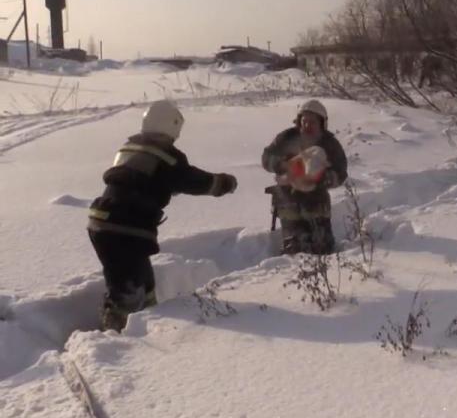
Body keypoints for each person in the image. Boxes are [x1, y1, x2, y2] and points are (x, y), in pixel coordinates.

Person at [88, 100, 238, 332]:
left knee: (142, 281)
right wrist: (223, 183)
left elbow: (140, 179)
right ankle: (115, 339)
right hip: (125, 227)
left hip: (101, 221)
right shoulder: (168, 156)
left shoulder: (130, 147)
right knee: (128, 290)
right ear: (173, 126)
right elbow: (193, 180)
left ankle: (146, 326)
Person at [262, 99, 348, 256]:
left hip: (317, 197)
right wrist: (283, 165)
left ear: (321, 123)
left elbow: (341, 172)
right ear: (299, 121)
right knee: (293, 246)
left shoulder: (330, 143)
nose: (307, 125)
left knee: (323, 247)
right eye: (304, 121)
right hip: (287, 196)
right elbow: (267, 158)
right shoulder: (286, 137)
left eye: (312, 122)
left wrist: (322, 178)